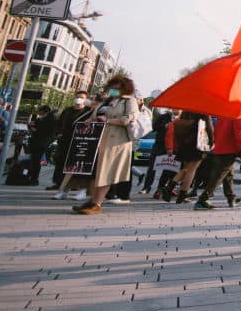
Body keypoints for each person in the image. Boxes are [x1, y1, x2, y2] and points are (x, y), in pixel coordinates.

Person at [72, 76, 139, 215]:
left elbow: (129, 119)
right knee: (96, 171)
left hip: (116, 141)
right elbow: (95, 114)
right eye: (112, 87)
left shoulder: (129, 101)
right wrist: (90, 120)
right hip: (98, 138)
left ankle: (97, 203)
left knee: (106, 171)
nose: (113, 90)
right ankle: (92, 200)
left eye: (116, 87)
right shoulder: (107, 101)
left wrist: (107, 120)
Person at [194, 114, 241, 209]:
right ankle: (202, 200)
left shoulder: (225, 113)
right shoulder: (240, 114)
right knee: (218, 177)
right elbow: (239, 133)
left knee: (228, 175)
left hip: (219, 147)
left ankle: (231, 198)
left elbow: (217, 130)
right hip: (229, 150)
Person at [160, 111, 213, 204]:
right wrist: (212, 141)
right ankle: (182, 195)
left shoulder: (186, 110)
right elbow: (209, 129)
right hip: (197, 145)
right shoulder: (204, 111)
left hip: (184, 144)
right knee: (191, 170)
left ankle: (169, 188)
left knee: (185, 169)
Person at [48, 92, 90, 190]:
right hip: (64, 140)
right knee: (60, 161)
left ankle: (73, 185)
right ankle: (58, 183)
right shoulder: (67, 110)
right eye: (78, 97)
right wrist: (58, 133)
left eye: (82, 97)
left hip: (78, 141)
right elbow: (59, 123)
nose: (79, 99)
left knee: (74, 163)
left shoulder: (87, 111)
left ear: (85, 100)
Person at [140, 107, 174, 195]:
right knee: (152, 166)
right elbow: (154, 127)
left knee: (169, 168)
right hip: (159, 144)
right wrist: (164, 126)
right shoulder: (164, 116)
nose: (176, 110)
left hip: (173, 145)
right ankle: (146, 187)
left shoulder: (183, 119)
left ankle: (161, 188)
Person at [26, 105, 57, 185]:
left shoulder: (51, 119)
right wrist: (30, 125)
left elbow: (48, 132)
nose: (39, 112)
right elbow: (34, 126)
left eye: (40, 111)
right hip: (36, 142)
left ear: (44, 111)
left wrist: (35, 130)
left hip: (42, 143)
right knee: (34, 160)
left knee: (36, 160)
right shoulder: (41, 118)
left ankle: (34, 179)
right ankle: (31, 177)